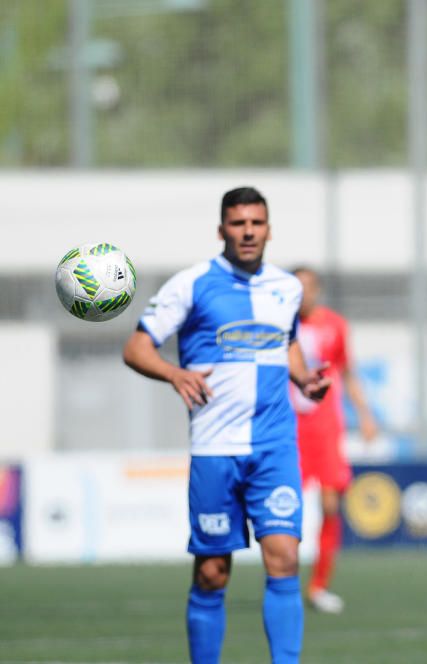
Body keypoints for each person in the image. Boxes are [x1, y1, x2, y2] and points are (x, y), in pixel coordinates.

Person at [122, 187, 330, 664]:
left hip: (275, 447)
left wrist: (303, 378)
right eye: (238, 223)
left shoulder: (286, 288)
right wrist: (175, 374)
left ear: (269, 230)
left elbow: (286, 342)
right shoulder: (190, 284)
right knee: (213, 572)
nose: (248, 231)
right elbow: (136, 348)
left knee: (283, 560)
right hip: (215, 449)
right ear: (222, 230)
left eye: (256, 222)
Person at [289, 267, 378, 614]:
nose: (303, 294)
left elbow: (346, 372)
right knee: (286, 507)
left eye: (309, 287)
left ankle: (318, 586)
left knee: (329, 505)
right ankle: (282, 580)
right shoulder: (280, 324)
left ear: (318, 290)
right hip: (290, 427)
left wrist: (365, 415)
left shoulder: (334, 325)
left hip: (325, 428)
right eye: (297, 287)